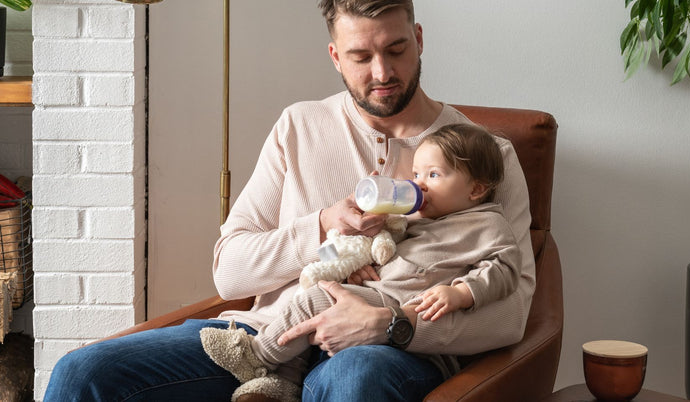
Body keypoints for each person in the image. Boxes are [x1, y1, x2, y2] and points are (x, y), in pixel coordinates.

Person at [44, 1, 535, 401]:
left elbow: (512, 313)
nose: (382, 72)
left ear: (420, 39)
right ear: (335, 57)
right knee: (80, 373)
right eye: (361, 57)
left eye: (396, 49)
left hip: (384, 353)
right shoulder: (299, 127)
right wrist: (321, 226)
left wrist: (392, 325)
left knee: (355, 378)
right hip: (262, 337)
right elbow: (229, 270)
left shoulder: (486, 156)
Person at [200, 123, 523, 401]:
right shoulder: (416, 220)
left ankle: (256, 356)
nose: (419, 184)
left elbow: (504, 269)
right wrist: (369, 231)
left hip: (399, 306)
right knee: (315, 299)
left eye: (434, 174)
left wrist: (463, 292)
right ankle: (282, 382)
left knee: (316, 298)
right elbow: (359, 248)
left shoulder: (487, 225)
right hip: (375, 294)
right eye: (416, 174)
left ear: (477, 189)